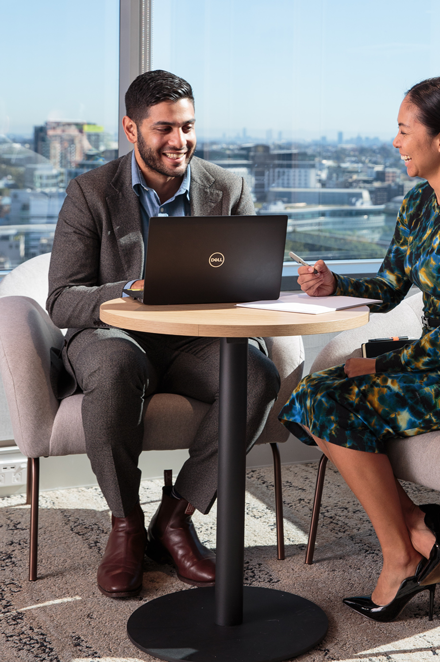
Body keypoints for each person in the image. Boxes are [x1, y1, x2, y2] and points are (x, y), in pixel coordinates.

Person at [279, 75, 440, 622]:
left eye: (403, 129)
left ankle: (400, 556)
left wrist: (376, 363)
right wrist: (334, 283)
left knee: (331, 398)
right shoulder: (419, 200)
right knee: (313, 393)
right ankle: (420, 528)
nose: (395, 142)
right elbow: (392, 284)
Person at [47, 70, 280, 599]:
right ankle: (126, 524)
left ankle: (174, 518)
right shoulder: (90, 193)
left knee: (257, 377)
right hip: (117, 335)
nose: (181, 142)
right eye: (164, 129)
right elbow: (61, 297)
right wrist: (131, 289)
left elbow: (250, 280)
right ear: (131, 129)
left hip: (196, 339)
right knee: (112, 368)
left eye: (189, 127)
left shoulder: (228, 187)